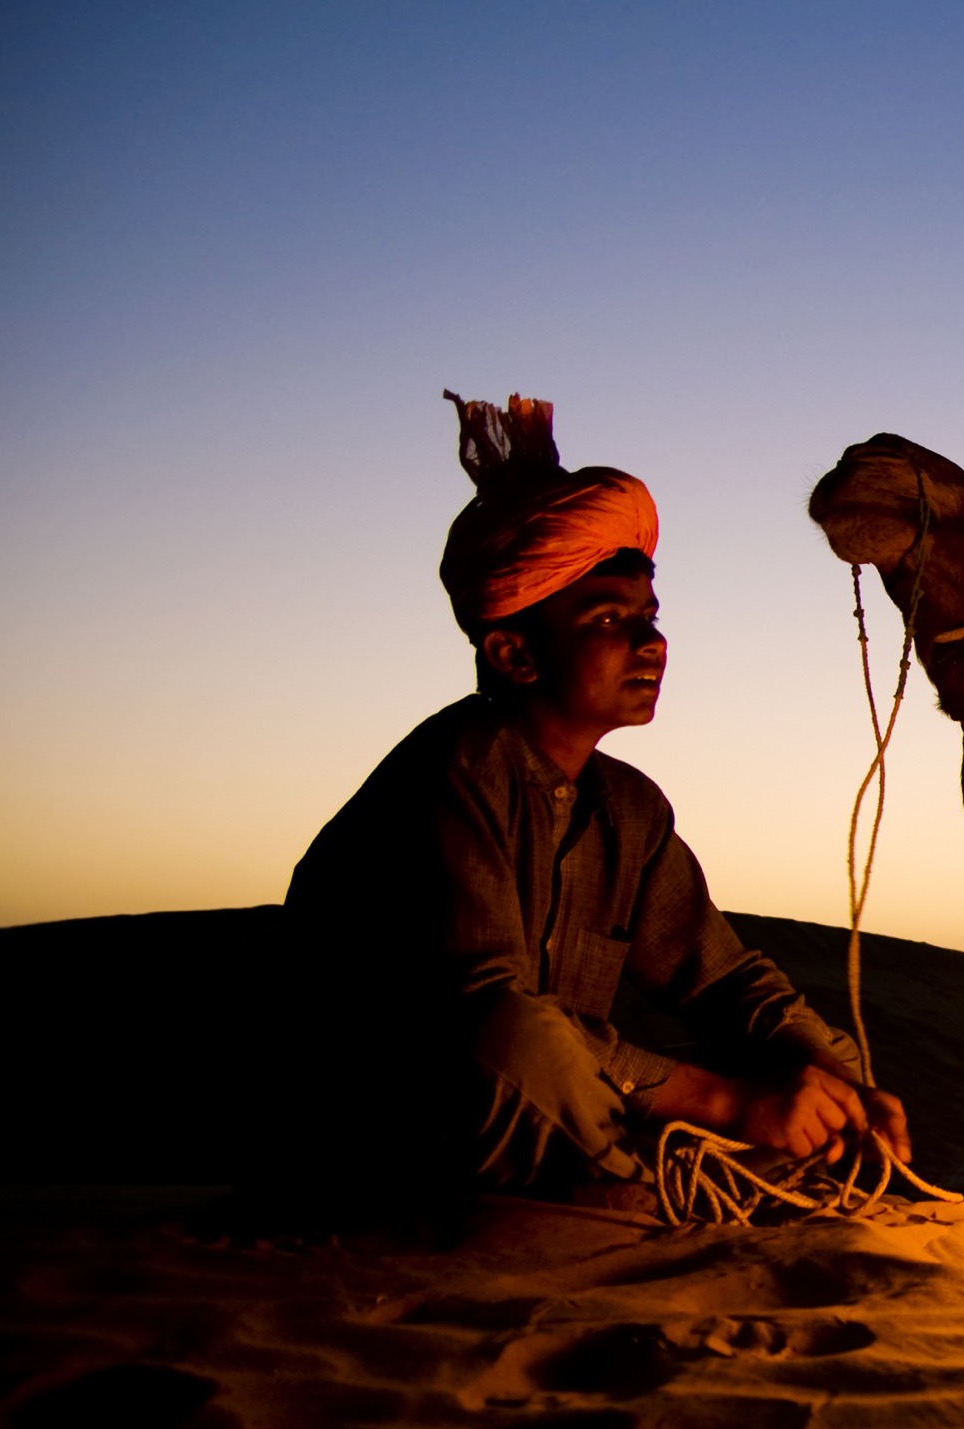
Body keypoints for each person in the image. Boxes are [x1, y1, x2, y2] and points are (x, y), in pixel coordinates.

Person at [284, 392, 908, 1195]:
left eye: (650, 616)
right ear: (514, 654)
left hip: (560, 1124)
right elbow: (492, 1019)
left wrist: (833, 1079)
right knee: (516, 1036)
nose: (652, 643)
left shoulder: (628, 810)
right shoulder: (456, 771)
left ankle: (645, 1195)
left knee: (809, 1079)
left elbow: (721, 981)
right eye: (610, 620)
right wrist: (728, 1101)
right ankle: (623, 1208)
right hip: (395, 1137)